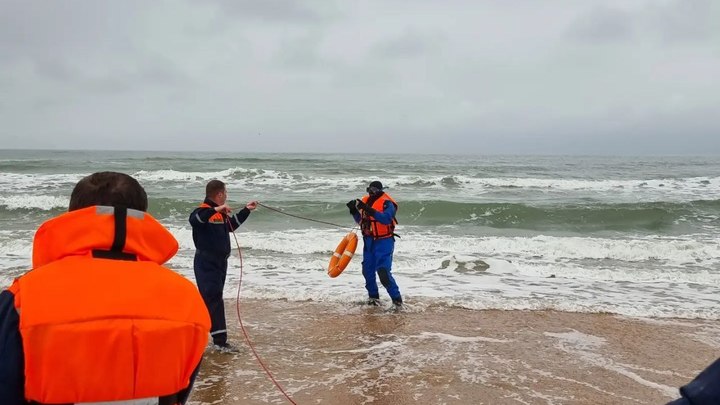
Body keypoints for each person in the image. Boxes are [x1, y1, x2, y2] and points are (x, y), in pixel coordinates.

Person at [0, 172, 211, 405]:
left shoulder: (22, 300)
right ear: (144, 217)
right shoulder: (187, 298)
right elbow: (179, 391)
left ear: (72, 216)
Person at [189, 179, 257, 352]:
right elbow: (195, 219)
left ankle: (206, 335)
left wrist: (246, 211)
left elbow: (231, 226)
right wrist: (216, 209)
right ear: (219, 194)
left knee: (213, 299)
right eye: (225, 193)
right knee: (212, 299)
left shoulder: (219, 215)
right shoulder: (203, 211)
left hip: (220, 263)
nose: (226, 196)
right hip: (206, 262)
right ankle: (219, 341)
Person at [346, 180, 403, 308]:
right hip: (369, 242)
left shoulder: (388, 203)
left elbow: (385, 219)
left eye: (374, 190)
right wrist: (353, 211)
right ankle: (373, 299)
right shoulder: (366, 201)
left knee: (383, 273)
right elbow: (361, 221)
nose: (371, 192)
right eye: (369, 189)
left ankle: (397, 302)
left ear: (380, 190)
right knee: (367, 271)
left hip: (384, 242)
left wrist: (368, 209)